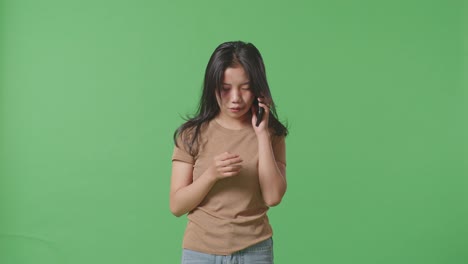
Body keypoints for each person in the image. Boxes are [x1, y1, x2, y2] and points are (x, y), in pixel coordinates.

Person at [170, 41, 288, 264]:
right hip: (200, 252)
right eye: (225, 88)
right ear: (212, 87)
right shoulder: (190, 134)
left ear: (258, 88)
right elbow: (177, 206)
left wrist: (261, 134)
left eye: (245, 87)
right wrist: (211, 175)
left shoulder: (272, 134)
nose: (235, 98)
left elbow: (273, 197)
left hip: (255, 251)